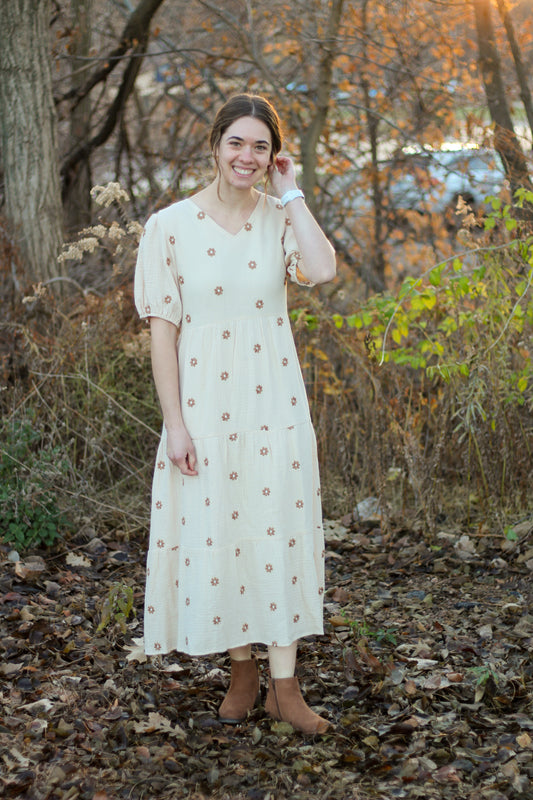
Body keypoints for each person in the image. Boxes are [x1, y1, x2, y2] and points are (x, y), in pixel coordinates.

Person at [134, 93, 336, 734]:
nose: (246, 157)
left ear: (271, 155)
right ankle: (241, 669)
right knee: (223, 527)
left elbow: (323, 270)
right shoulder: (169, 227)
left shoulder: (281, 217)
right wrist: (175, 423)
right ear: (215, 146)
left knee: (274, 527)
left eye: (259, 146)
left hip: (273, 400)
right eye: (236, 143)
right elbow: (162, 331)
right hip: (203, 405)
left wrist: (294, 192)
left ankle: (285, 686)